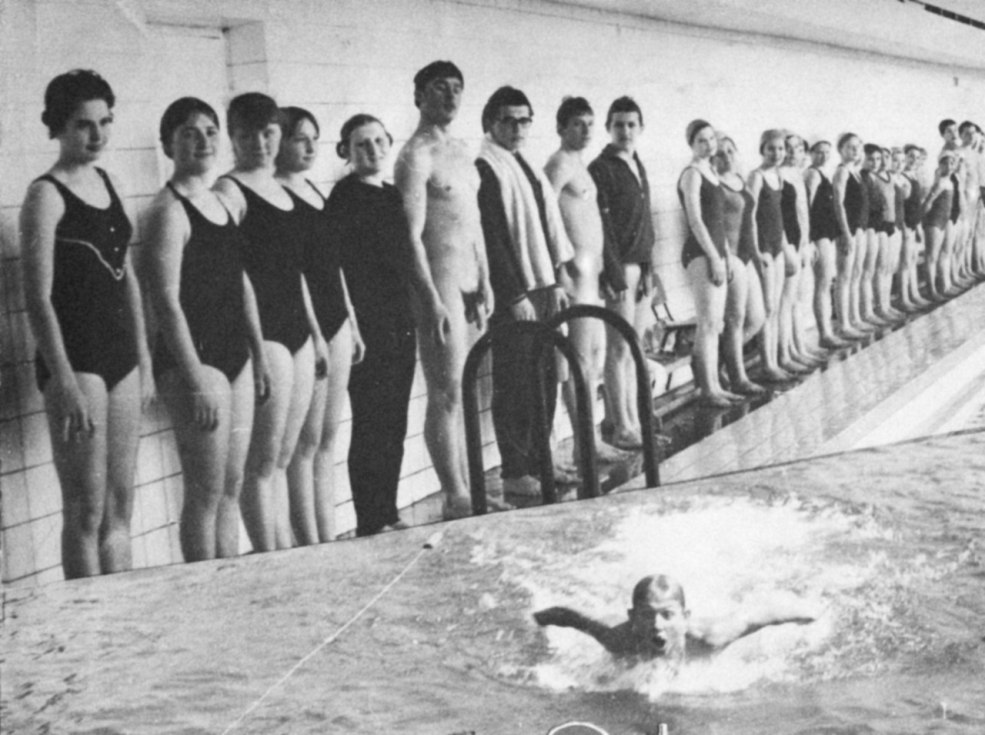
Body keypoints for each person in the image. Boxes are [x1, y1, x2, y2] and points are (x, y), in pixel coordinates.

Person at [21, 69, 153, 578]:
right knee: (86, 509)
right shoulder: (45, 195)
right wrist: (65, 378)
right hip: (76, 359)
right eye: (83, 125)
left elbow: (129, 279)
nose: (97, 136)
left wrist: (142, 353)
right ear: (55, 127)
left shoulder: (110, 182)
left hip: (120, 355)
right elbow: (37, 298)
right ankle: (87, 627)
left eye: (105, 122)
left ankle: (121, 613)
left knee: (122, 506)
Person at [144, 97, 267, 562]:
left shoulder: (223, 202)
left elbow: (240, 283)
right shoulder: (167, 212)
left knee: (232, 486)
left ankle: (229, 587)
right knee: (205, 491)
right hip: (194, 361)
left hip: (235, 353)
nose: (203, 141)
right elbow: (166, 303)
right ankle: (202, 594)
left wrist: (256, 351)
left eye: (211, 132)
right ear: (168, 144)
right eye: (190, 133)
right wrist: (194, 377)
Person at [215, 93, 317, 552]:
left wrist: (315, 333)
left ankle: (284, 551)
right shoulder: (230, 190)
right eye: (247, 133)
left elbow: (297, 272)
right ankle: (271, 558)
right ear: (233, 138)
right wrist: (255, 349)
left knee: (283, 456)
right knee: (262, 461)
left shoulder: (280, 187)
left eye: (269, 132)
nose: (260, 142)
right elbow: (234, 276)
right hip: (266, 333)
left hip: (296, 329)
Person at [395, 61, 494, 519]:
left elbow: (472, 224)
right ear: (419, 95)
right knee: (446, 392)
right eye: (440, 89)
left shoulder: (460, 149)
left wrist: (487, 280)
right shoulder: (415, 156)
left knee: (467, 389)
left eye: (457, 88)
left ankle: (470, 484)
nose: (451, 97)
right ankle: (455, 494)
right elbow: (409, 236)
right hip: (440, 286)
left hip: (471, 283)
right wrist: (431, 299)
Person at [476, 85, 575, 499]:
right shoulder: (486, 167)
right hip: (515, 293)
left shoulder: (524, 165)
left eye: (523, 120)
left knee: (546, 376)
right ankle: (516, 469)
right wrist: (513, 295)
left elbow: (544, 227)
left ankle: (540, 458)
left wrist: (558, 279)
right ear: (490, 124)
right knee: (515, 382)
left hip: (543, 285)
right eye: (508, 121)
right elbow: (493, 238)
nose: (517, 128)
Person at [275, 106, 364, 545]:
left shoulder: (313, 189)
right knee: (303, 447)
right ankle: (310, 541)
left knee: (327, 441)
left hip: (338, 323)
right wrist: (315, 335)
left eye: (314, 138)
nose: (311, 147)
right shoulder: (276, 194)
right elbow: (296, 275)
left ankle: (329, 535)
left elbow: (334, 265)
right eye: (300, 139)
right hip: (308, 330)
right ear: (279, 142)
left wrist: (351, 320)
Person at [331, 114, 417, 536]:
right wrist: (352, 326)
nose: (373, 151)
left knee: (395, 421)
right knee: (370, 422)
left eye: (379, 142)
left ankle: (388, 510)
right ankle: (368, 518)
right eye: (362, 144)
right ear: (345, 150)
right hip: (366, 325)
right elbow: (339, 269)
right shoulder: (343, 197)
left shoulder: (390, 194)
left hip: (400, 319)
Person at [544, 96, 625, 461]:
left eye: (590, 123)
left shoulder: (581, 165)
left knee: (593, 358)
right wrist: (559, 271)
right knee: (578, 360)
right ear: (561, 128)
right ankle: (583, 443)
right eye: (578, 123)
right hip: (574, 276)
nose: (586, 130)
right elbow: (545, 220)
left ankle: (587, 439)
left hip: (592, 276)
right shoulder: (558, 165)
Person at [533, 574, 815, 665]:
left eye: (667, 615)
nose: (656, 625)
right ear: (632, 617)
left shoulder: (710, 637)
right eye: (646, 616)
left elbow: (763, 614)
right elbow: (568, 615)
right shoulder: (617, 637)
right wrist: (533, 621)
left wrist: (809, 613)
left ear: (684, 617)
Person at [589, 97, 655, 448]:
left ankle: (623, 417)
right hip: (621, 270)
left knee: (632, 347)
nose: (625, 131)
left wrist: (650, 269)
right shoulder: (602, 168)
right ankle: (621, 427)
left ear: (640, 127)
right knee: (618, 349)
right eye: (619, 125)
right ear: (608, 128)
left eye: (631, 124)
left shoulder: (636, 163)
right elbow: (603, 229)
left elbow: (645, 223)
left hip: (639, 267)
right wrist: (615, 276)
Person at [676, 120, 743, 407]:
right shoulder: (692, 174)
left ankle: (714, 384)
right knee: (708, 323)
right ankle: (707, 388)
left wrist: (725, 255)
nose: (708, 145)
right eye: (701, 141)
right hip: (699, 253)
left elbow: (719, 223)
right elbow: (695, 220)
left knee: (715, 324)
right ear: (691, 144)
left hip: (716, 252)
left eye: (710, 139)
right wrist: (714, 256)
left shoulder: (712, 172)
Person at [713, 135, 767, 394]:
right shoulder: (714, 183)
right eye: (720, 153)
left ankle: (716, 361)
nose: (727, 157)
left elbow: (751, 221)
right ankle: (738, 377)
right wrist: (725, 257)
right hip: (729, 255)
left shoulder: (740, 179)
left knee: (757, 317)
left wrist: (755, 253)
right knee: (735, 318)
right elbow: (717, 224)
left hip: (745, 254)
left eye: (730, 151)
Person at [746, 129, 792, 382]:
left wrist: (783, 247)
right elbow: (749, 218)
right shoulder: (756, 176)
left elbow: (779, 218)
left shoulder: (778, 176)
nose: (777, 153)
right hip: (763, 248)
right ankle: (767, 364)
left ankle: (774, 360)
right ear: (762, 150)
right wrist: (755, 251)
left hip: (776, 248)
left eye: (781, 149)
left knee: (774, 307)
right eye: (771, 149)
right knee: (767, 308)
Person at [779, 133, 823, 371]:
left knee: (798, 301)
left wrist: (809, 242)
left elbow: (804, 213)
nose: (792, 152)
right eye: (787, 148)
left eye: (797, 148)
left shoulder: (797, 175)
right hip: (787, 246)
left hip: (802, 243)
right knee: (786, 303)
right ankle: (786, 355)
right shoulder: (778, 175)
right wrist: (788, 248)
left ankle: (799, 349)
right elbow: (777, 219)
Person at [804, 140, 849, 348]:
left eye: (826, 153)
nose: (823, 156)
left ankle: (828, 331)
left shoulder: (823, 173)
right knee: (822, 284)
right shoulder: (812, 174)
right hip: (818, 233)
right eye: (818, 152)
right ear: (811, 153)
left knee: (826, 282)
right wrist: (809, 239)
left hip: (826, 232)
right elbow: (806, 206)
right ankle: (825, 333)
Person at [831, 133, 869, 339]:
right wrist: (845, 233)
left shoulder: (856, 172)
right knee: (844, 278)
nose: (855, 151)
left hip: (859, 229)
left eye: (857, 147)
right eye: (850, 147)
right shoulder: (842, 172)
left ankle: (855, 319)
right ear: (841, 150)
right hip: (848, 230)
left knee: (855, 275)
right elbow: (838, 204)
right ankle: (843, 324)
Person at [921, 151, 958, 300]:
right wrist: (921, 221)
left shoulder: (949, 182)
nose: (949, 166)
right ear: (940, 165)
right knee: (931, 256)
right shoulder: (941, 182)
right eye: (945, 163)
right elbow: (928, 202)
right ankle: (932, 290)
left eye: (951, 163)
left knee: (938, 255)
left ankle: (941, 287)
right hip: (934, 221)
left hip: (942, 221)